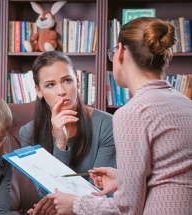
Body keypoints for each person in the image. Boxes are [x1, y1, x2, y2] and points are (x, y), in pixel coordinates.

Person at [42, 17, 192, 214]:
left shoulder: (132, 113)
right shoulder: (186, 104)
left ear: (121, 52)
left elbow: (127, 209)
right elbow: (169, 175)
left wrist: (76, 205)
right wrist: (123, 178)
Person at [19, 51, 116, 214]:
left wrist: (66, 203)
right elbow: (45, 193)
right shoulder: (27, 132)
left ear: (77, 81)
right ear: (39, 91)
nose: (61, 91)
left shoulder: (106, 125)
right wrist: (60, 143)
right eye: (50, 85)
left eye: (67, 80)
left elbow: (103, 193)